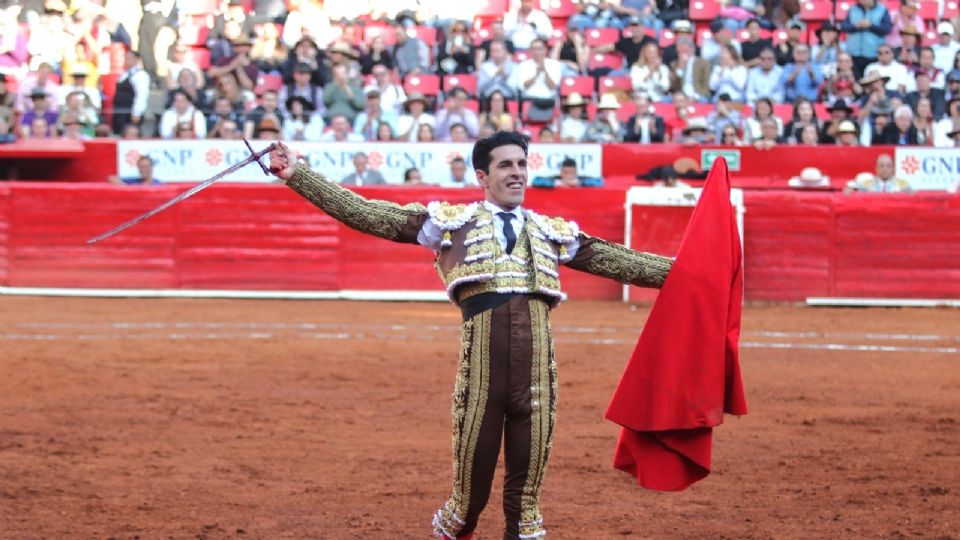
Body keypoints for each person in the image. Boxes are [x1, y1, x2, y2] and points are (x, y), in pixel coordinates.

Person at [268, 131, 673, 539]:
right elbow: (368, 214)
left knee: (526, 507)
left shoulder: (552, 233)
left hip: (538, 384)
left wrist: (688, 269)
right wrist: (297, 174)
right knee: (466, 504)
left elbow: (622, 261)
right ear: (482, 176)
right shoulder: (451, 224)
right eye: (505, 166)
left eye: (521, 164)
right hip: (481, 383)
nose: (517, 173)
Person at [840, 0, 893, 78]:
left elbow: (886, 29)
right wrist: (856, 26)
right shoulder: (852, 9)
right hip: (854, 55)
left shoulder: (882, 10)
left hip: (873, 55)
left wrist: (870, 25)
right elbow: (844, 26)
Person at [112, 50, 150, 135]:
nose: (126, 60)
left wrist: (136, 112)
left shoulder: (141, 75)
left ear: (137, 59)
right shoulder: (124, 74)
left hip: (130, 113)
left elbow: (142, 95)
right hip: (119, 112)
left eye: (129, 58)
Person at [669, 37, 711, 102]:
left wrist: (695, 97)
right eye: (680, 52)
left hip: (698, 95)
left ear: (691, 50)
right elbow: (674, 87)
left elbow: (706, 86)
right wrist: (680, 68)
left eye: (685, 51)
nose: (682, 54)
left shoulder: (703, 64)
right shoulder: (674, 64)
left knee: (703, 100)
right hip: (681, 96)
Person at [846, 154, 912, 192]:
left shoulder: (903, 185)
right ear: (876, 169)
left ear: (893, 169)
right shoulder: (865, 185)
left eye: (888, 166)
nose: (885, 169)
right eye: (881, 166)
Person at [531, 156, 604, 187]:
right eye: (565, 173)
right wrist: (556, 183)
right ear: (561, 172)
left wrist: (580, 183)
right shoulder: (556, 179)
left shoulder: (582, 179)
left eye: (571, 173)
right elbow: (536, 180)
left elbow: (600, 181)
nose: (568, 176)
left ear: (576, 172)